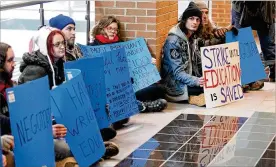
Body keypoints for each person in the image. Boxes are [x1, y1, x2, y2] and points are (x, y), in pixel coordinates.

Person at [49, 14, 119, 155]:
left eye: (74, 28)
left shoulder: (77, 50)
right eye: (69, 29)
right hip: (63, 109)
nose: (73, 33)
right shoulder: (53, 62)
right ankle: (95, 144)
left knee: (112, 107)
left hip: (80, 97)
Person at [89, 15, 167, 129]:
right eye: (110, 28)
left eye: (115, 29)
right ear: (102, 28)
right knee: (113, 99)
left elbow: (132, 65)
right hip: (107, 89)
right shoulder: (93, 46)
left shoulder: (121, 45)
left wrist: (147, 62)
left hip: (126, 86)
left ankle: (133, 105)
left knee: (159, 89)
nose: (113, 32)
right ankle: (141, 106)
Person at [161, 2, 206, 107]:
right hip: (176, 85)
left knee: (215, 84)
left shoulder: (192, 38)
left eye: (197, 19)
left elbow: (199, 63)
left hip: (189, 79)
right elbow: (177, 73)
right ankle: (195, 97)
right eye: (191, 18)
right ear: (185, 20)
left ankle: (197, 97)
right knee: (208, 87)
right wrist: (197, 81)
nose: (195, 22)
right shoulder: (173, 41)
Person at [232, 1, 275, 82]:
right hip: (241, 6)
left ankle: (273, 73)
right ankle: (250, 79)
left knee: (268, 44)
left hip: (266, 6)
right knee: (244, 43)